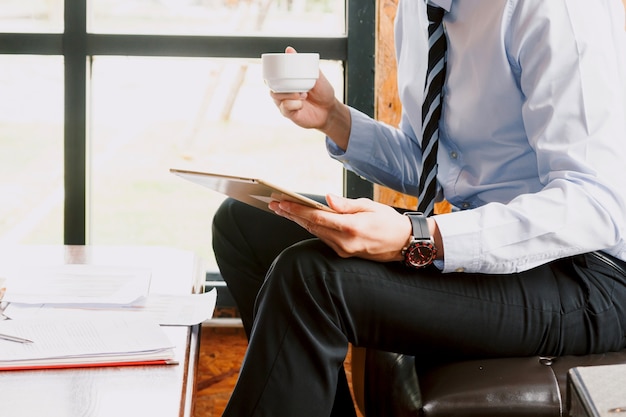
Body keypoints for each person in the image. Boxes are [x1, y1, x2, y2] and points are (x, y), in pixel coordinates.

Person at [211, 1, 626, 416]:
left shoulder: (557, 9)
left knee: (310, 279)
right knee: (245, 223)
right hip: (497, 249)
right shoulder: (419, 9)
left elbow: (593, 203)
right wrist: (334, 118)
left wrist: (419, 236)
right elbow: (435, 163)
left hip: (590, 273)